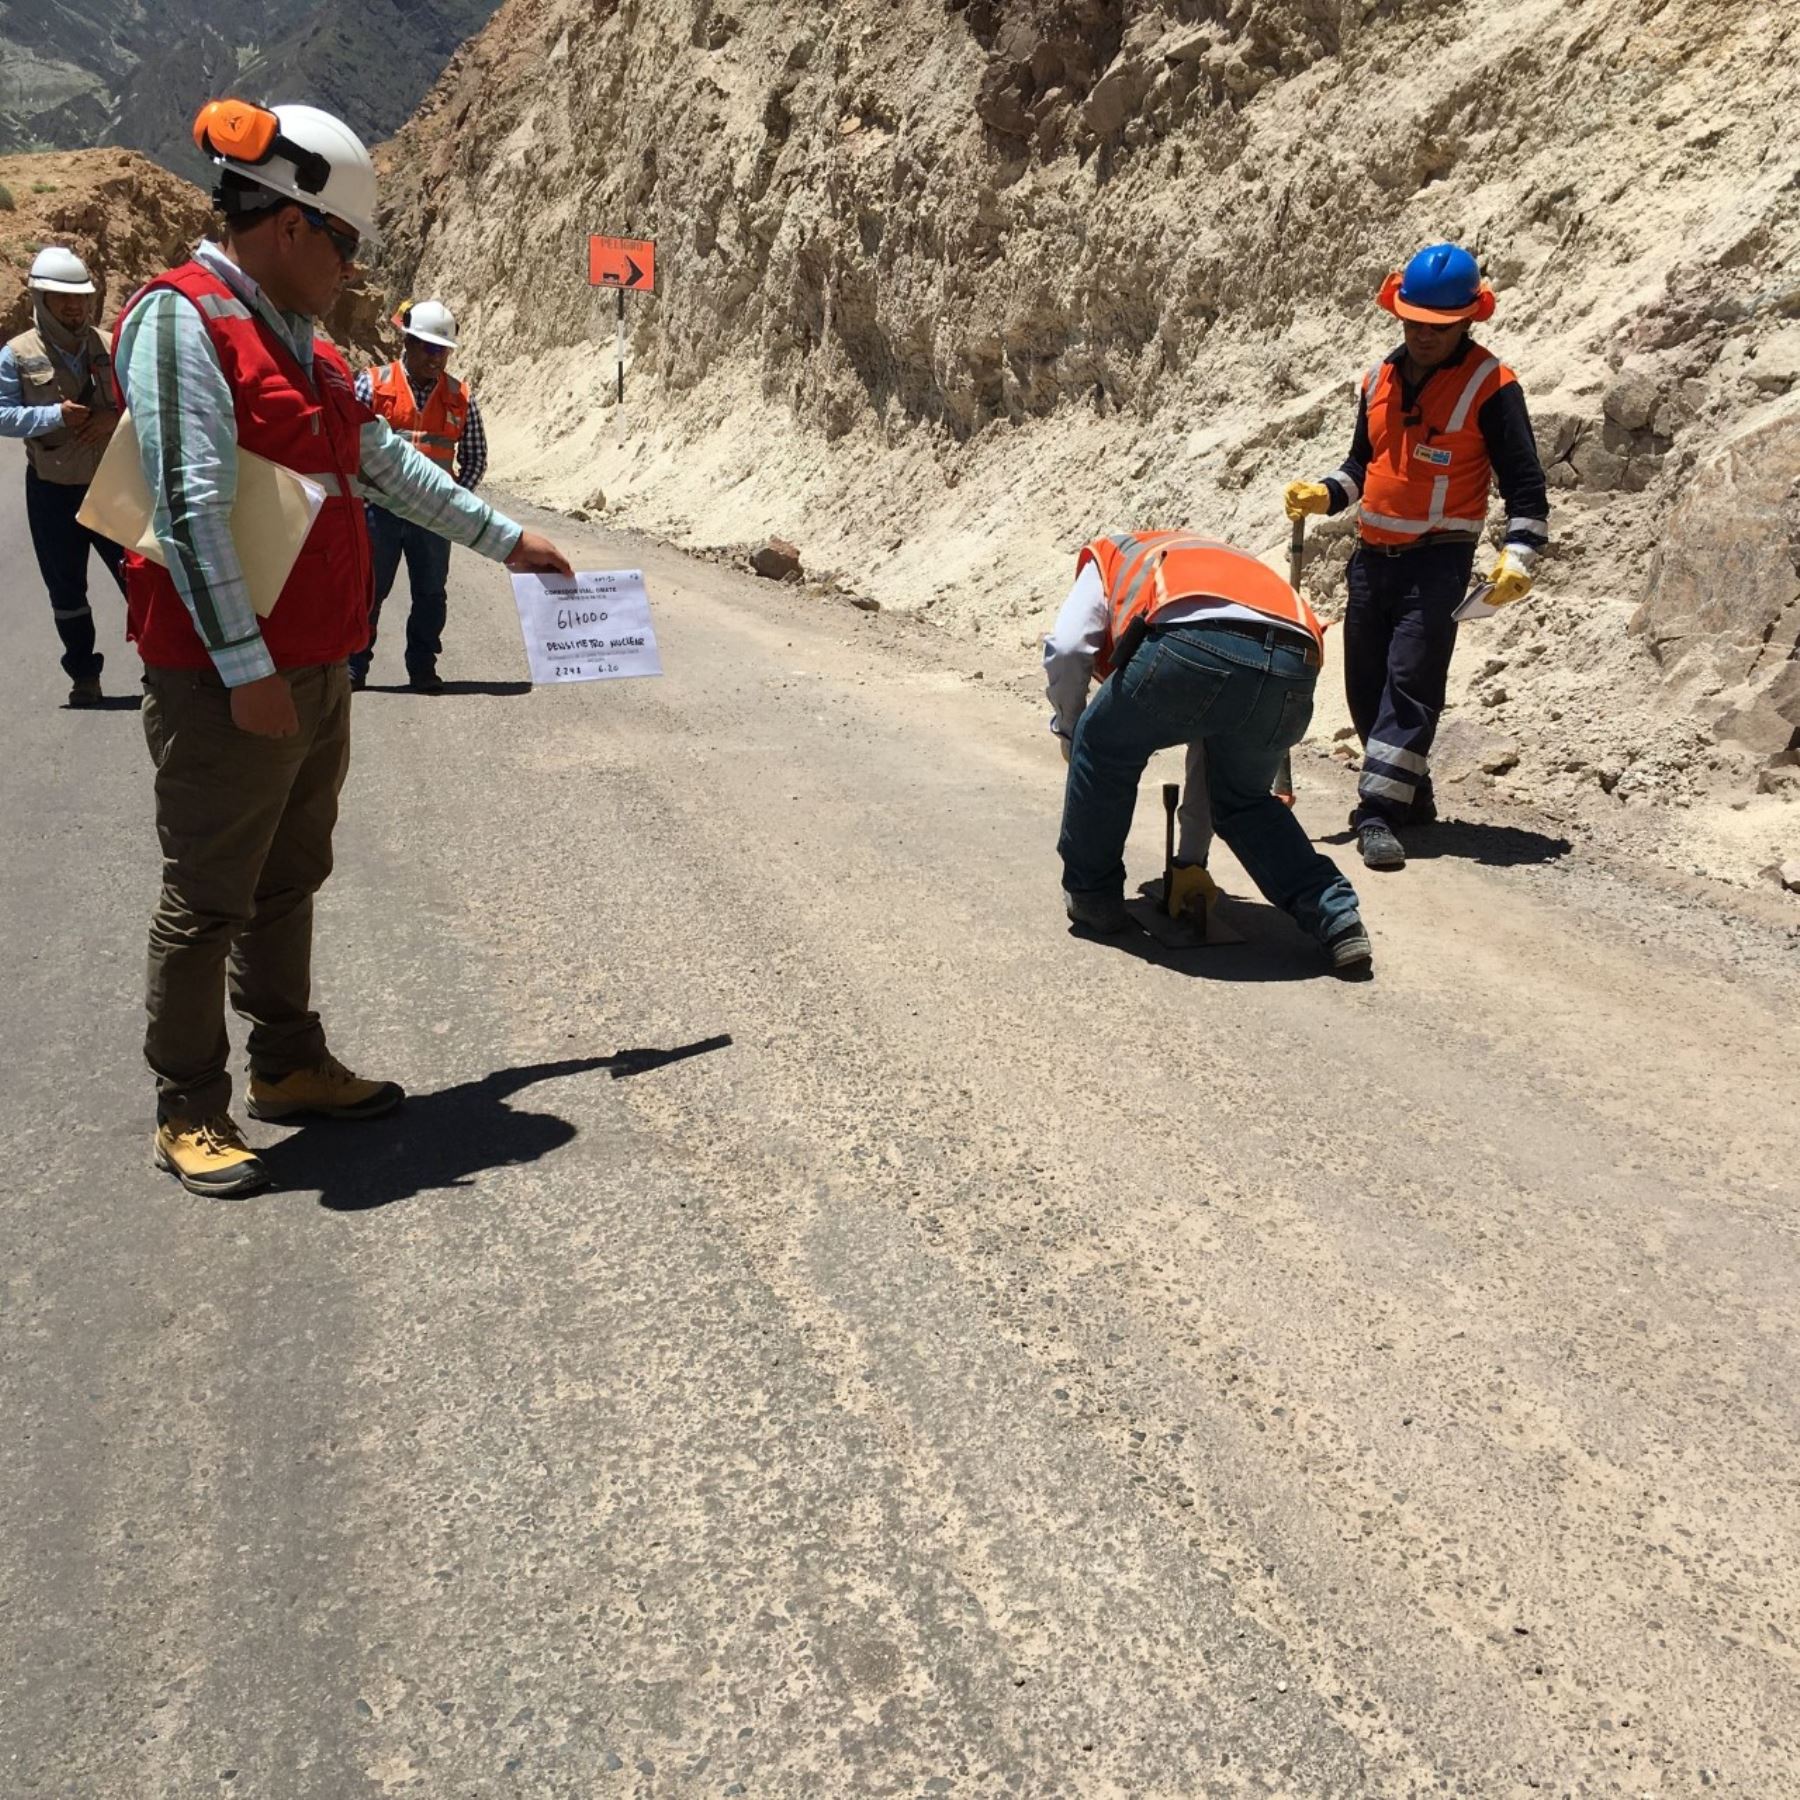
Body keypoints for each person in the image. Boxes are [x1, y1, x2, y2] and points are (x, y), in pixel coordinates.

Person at [114, 98, 571, 1197]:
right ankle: (190, 1104)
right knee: (210, 893)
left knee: (289, 878)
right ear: (291, 228)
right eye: (348, 245)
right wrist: (247, 670)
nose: (354, 271)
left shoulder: (303, 340)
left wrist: (508, 542)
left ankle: (288, 1066)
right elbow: (184, 509)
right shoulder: (183, 324)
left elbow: (383, 466)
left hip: (315, 667)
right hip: (233, 679)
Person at [1284, 242, 1550, 871]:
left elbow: (1525, 485)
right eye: (1414, 323)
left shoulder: (1492, 385)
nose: (1425, 336)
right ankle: (1412, 789)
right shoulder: (1378, 379)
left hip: (1438, 561)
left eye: (1440, 327)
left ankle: (1377, 812)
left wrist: (1520, 555)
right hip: (1372, 557)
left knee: (1410, 683)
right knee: (1364, 686)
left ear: (1468, 320)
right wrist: (1326, 492)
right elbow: (1362, 465)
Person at [1046, 530, 1371, 971]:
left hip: (1192, 640)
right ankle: (1337, 916)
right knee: (1244, 800)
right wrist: (1189, 864)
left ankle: (1093, 896)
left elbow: (1066, 649)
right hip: (1296, 664)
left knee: (1102, 746)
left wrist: (1071, 731)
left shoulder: (1107, 557)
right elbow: (1211, 735)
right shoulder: (1217, 559)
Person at [0, 246, 125, 706]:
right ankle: (84, 676)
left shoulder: (113, 345)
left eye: (81, 299)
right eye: (62, 298)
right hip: (52, 492)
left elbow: (142, 402)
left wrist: (113, 419)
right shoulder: (16, 355)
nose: (75, 307)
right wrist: (52, 416)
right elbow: (2, 416)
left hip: (113, 485)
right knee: (67, 590)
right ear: (40, 298)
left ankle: (161, 672)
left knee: (140, 579)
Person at [350, 299, 485, 691]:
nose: (436, 358)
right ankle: (355, 665)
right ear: (407, 342)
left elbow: (475, 457)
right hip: (380, 512)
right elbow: (347, 447)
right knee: (370, 590)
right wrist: (362, 498)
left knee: (430, 594)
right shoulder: (372, 384)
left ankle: (423, 667)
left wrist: (451, 502)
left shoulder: (460, 396)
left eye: (442, 350)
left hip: (433, 518)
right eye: (428, 347)